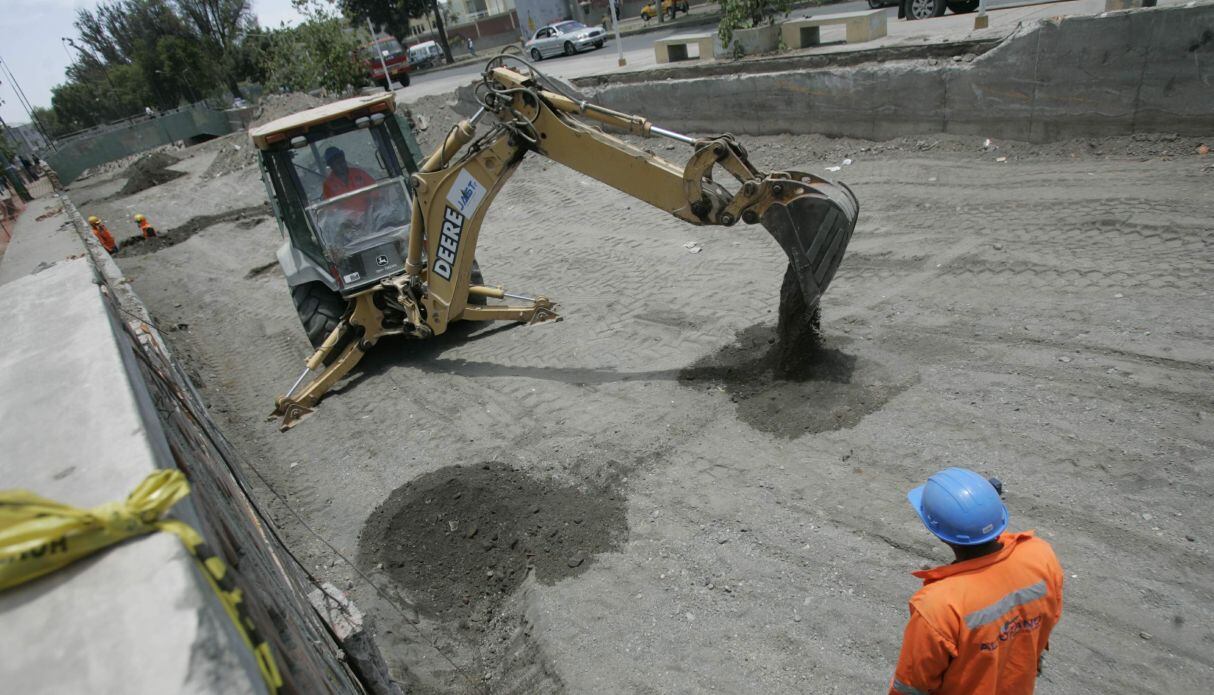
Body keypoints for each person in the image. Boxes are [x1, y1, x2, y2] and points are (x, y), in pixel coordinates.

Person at [890, 468, 1064, 695]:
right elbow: (1047, 616)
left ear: (938, 532)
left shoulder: (938, 606)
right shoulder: (1040, 554)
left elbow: (910, 688)